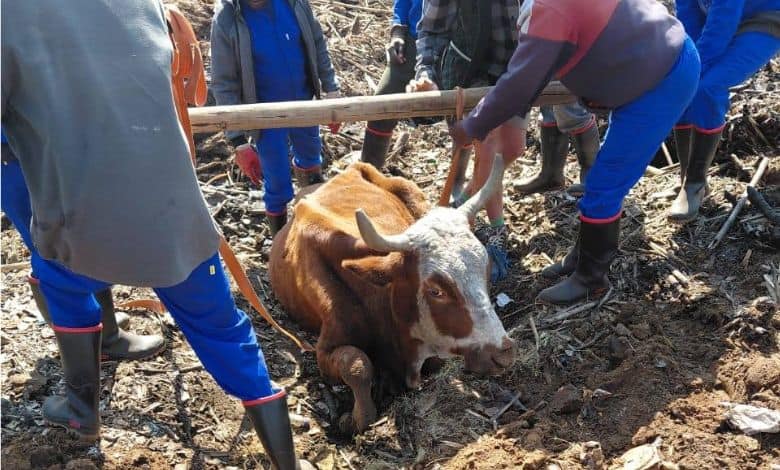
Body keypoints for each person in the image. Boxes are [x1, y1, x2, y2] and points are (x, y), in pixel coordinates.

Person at [2, 2, 311, 468]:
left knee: (60, 273)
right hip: (173, 205)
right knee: (221, 326)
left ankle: (82, 412)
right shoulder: (139, 3)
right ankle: (284, 459)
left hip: (78, 209)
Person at [449, 0, 700, 305]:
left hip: (661, 81)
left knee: (604, 185)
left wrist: (471, 127)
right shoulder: (547, 8)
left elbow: (520, 83)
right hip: (654, 68)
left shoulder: (549, 10)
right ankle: (582, 257)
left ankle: (591, 279)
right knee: (602, 180)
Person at [407, 0, 599, 282]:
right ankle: (492, 231)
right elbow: (432, 31)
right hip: (471, 69)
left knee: (513, 149)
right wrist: (426, 74)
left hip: (518, 70)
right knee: (490, 146)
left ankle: (460, 204)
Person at [1, 132, 166, 361]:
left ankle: (92, 327)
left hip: (18, 157)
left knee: (53, 244)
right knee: (61, 245)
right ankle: (102, 338)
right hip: (23, 156)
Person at [210, 0, 341, 236]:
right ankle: (280, 249)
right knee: (277, 185)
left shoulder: (294, 4)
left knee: (311, 160)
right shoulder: (227, 18)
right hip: (264, 117)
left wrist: (331, 90)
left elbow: (317, 42)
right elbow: (224, 83)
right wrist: (238, 141)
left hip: (303, 104)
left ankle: (315, 231)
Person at [668, 0, 780, 221]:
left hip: (763, 18)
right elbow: (688, 12)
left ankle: (695, 184)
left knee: (707, 88)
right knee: (680, 83)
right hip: (715, 19)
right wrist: (689, 60)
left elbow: (725, 14)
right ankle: (685, 177)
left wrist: (700, 64)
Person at [360, 0, 423, 169]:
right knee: (381, 107)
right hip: (413, 41)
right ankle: (368, 177)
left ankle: (459, 186)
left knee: (461, 115)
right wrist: (397, 32)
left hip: (453, 45)